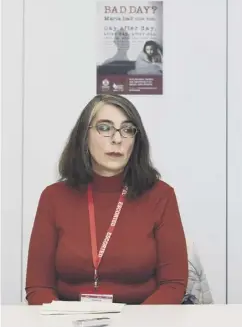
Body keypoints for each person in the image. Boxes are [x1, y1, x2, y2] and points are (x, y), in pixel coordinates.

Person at [25, 94, 188, 305]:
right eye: (105, 128)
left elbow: (173, 285)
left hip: (142, 320)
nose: (117, 139)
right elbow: (39, 287)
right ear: (84, 135)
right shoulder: (53, 197)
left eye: (128, 129)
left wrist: (135, 323)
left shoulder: (161, 196)